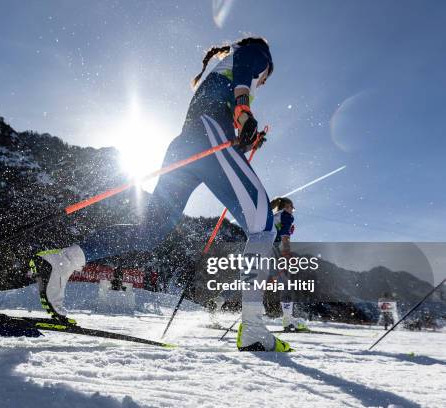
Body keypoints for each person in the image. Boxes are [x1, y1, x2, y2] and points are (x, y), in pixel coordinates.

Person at [30, 37, 292, 352]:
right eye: (263, 81)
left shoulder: (221, 69)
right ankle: (253, 330)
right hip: (209, 135)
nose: (260, 82)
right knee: (263, 223)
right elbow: (241, 86)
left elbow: (222, 119)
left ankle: (62, 262)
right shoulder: (256, 53)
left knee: (150, 230)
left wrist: (246, 139)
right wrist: (245, 114)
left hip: (186, 145)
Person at [271, 197, 309, 332]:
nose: (292, 210)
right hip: (273, 250)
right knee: (285, 284)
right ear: (286, 206)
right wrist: (287, 254)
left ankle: (219, 301)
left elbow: (276, 230)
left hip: (262, 247)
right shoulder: (286, 216)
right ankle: (288, 320)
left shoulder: (275, 215)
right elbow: (284, 238)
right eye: (291, 207)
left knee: (251, 278)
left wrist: (286, 231)